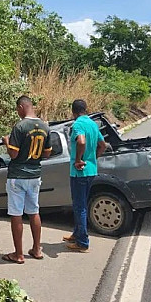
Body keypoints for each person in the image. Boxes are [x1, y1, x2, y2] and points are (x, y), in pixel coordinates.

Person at [1, 95, 52, 264]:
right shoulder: (45, 127)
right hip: (35, 174)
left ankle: (19, 254)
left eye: (17, 109)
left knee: (16, 214)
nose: (18, 112)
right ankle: (37, 249)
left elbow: (13, 154)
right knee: (34, 211)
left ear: (22, 107)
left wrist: (6, 143)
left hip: (18, 175)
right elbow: (47, 153)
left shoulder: (20, 126)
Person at [64, 99, 107, 253]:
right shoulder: (93, 124)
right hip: (91, 171)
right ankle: (76, 234)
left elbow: (81, 142)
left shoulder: (77, 125)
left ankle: (82, 242)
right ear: (85, 109)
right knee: (80, 204)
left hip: (79, 172)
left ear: (73, 111)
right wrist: (93, 158)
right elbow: (103, 145)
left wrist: (78, 160)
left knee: (79, 206)